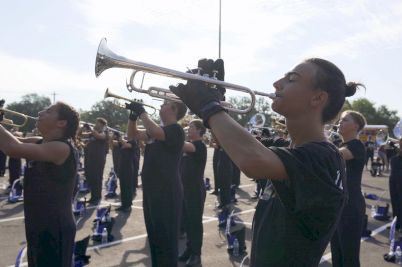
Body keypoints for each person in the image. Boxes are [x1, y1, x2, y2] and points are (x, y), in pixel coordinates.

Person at [170, 57, 359, 266]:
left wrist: (210, 106)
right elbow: (232, 145)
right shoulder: (286, 146)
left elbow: (251, 161)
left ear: (317, 98)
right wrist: (218, 100)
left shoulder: (325, 158)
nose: (277, 83)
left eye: (292, 79)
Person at [0, 102, 79, 267]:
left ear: (61, 123)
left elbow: (12, 148)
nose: (40, 112)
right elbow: (12, 141)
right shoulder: (40, 141)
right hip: (38, 223)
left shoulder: (62, 148)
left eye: (48, 111)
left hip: (54, 228)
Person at [126, 100, 187, 267]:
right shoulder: (158, 131)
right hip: (153, 191)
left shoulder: (176, 130)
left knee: (166, 241)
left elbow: (156, 131)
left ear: (174, 110)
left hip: (166, 192)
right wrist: (133, 117)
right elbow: (132, 136)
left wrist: (142, 112)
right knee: (155, 238)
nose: (160, 105)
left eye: (165, 103)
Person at [331, 110, 367, 267]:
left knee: (349, 256)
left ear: (355, 126)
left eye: (345, 120)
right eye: (340, 120)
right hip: (336, 205)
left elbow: (336, 155)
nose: (340, 122)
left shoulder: (357, 146)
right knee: (337, 254)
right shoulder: (338, 145)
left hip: (351, 206)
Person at [178, 120, 207, 266]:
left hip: (195, 190)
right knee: (188, 223)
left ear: (200, 131)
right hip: (185, 190)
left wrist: (173, 134)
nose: (188, 129)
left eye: (191, 127)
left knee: (195, 224)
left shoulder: (199, 146)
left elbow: (181, 144)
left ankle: (196, 254)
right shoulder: (188, 147)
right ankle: (189, 250)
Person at [82, 118, 109, 205]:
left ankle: (96, 197)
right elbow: (81, 135)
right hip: (90, 158)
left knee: (97, 177)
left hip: (99, 159)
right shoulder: (93, 133)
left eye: (97, 123)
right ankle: (93, 196)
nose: (95, 124)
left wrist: (91, 129)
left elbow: (99, 136)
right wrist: (82, 127)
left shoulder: (105, 132)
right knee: (90, 176)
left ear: (102, 124)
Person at [115, 135, 137, 212]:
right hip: (122, 167)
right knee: (123, 186)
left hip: (128, 168)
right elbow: (114, 144)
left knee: (127, 186)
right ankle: (123, 204)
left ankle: (128, 205)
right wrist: (113, 137)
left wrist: (121, 139)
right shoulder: (124, 141)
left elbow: (127, 145)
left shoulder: (133, 142)